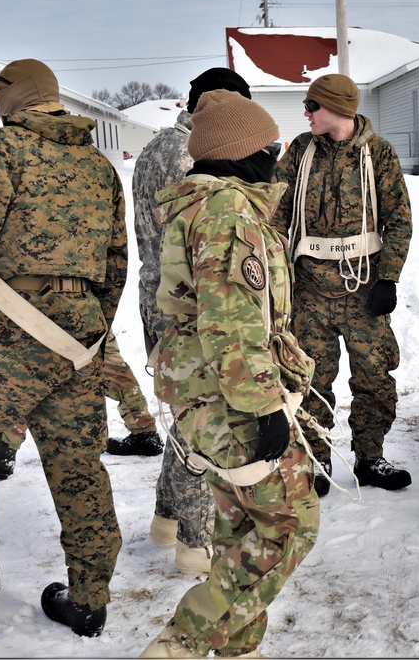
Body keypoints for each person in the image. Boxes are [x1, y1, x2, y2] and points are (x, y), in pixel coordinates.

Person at [139, 90, 320, 658]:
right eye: (273, 147)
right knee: (290, 525)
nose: (277, 157)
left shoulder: (201, 206)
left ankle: (238, 647)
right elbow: (233, 323)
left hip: (206, 397)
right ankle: (184, 640)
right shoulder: (228, 214)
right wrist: (266, 407)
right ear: (242, 153)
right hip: (235, 401)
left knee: (240, 529)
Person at [0, 58, 126, 637]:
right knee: (80, 470)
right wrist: (90, 329)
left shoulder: (2, 152)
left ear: (16, 97)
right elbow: (116, 264)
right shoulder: (100, 167)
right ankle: (90, 599)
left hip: (5, 332)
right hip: (78, 338)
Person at [134, 67, 251, 575]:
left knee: (183, 413)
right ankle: (196, 544)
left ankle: (165, 517)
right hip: (189, 303)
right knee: (201, 421)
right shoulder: (192, 155)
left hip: (158, 295)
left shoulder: (158, 145)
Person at [272, 74, 413, 496]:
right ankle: (317, 459)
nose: (306, 113)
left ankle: (371, 457)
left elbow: (400, 218)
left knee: (374, 376)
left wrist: (388, 276)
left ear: (337, 109)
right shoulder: (300, 151)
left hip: (363, 287)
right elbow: (277, 213)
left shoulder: (379, 154)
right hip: (310, 289)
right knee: (310, 379)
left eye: (312, 106)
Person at [0, 330, 162, 480]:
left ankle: (6, 448)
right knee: (115, 370)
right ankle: (144, 432)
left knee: (26, 374)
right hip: (86, 312)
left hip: (38, 314)